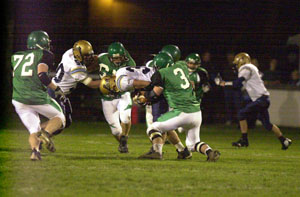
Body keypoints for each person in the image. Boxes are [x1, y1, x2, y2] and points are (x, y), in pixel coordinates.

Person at [100, 52, 191, 159]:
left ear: (112, 86)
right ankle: (182, 151)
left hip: (162, 86)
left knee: (158, 125)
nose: (113, 94)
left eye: (111, 91)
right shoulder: (120, 72)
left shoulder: (122, 83)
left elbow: (144, 83)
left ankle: (157, 151)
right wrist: (143, 95)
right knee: (165, 125)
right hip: (161, 82)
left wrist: (147, 96)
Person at [137, 57, 220, 161]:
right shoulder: (182, 66)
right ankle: (210, 152)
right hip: (196, 112)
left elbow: (155, 94)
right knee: (192, 144)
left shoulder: (162, 73)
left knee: (153, 128)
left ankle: (156, 151)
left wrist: (144, 96)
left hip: (181, 112)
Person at [11, 30, 66, 161]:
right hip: (36, 96)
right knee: (60, 117)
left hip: (18, 99)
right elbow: (42, 74)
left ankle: (35, 152)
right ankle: (45, 135)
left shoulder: (16, 56)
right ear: (43, 43)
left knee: (33, 130)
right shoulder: (44, 54)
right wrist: (56, 88)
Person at [219, 52, 292, 150]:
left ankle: (244, 140)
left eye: (236, 63)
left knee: (241, 114)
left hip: (260, 99)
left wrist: (225, 83)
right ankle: (284, 140)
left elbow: (237, 84)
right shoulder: (251, 67)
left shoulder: (245, 68)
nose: (236, 66)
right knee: (267, 124)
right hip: (264, 99)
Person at [50, 40, 101, 135]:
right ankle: (39, 134)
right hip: (56, 93)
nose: (89, 58)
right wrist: (106, 81)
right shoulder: (76, 68)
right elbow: (91, 84)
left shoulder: (69, 53)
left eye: (89, 55)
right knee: (61, 121)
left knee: (67, 122)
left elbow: (87, 63)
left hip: (59, 93)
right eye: (86, 56)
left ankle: (43, 135)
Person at [97, 42, 136, 153]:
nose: (118, 60)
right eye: (115, 59)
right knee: (115, 131)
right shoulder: (101, 58)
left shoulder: (130, 63)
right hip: (106, 98)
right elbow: (91, 64)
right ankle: (123, 144)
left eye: (120, 58)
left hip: (122, 95)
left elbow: (132, 83)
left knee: (125, 117)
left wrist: (119, 86)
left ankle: (124, 138)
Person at [220, 51, 242, 125]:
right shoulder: (224, 65)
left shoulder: (237, 65)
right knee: (228, 104)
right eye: (229, 55)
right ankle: (229, 119)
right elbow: (222, 75)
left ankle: (239, 120)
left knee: (237, 104)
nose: (230, 57)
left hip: (235, 88)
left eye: (232, 55)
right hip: (227, 88)